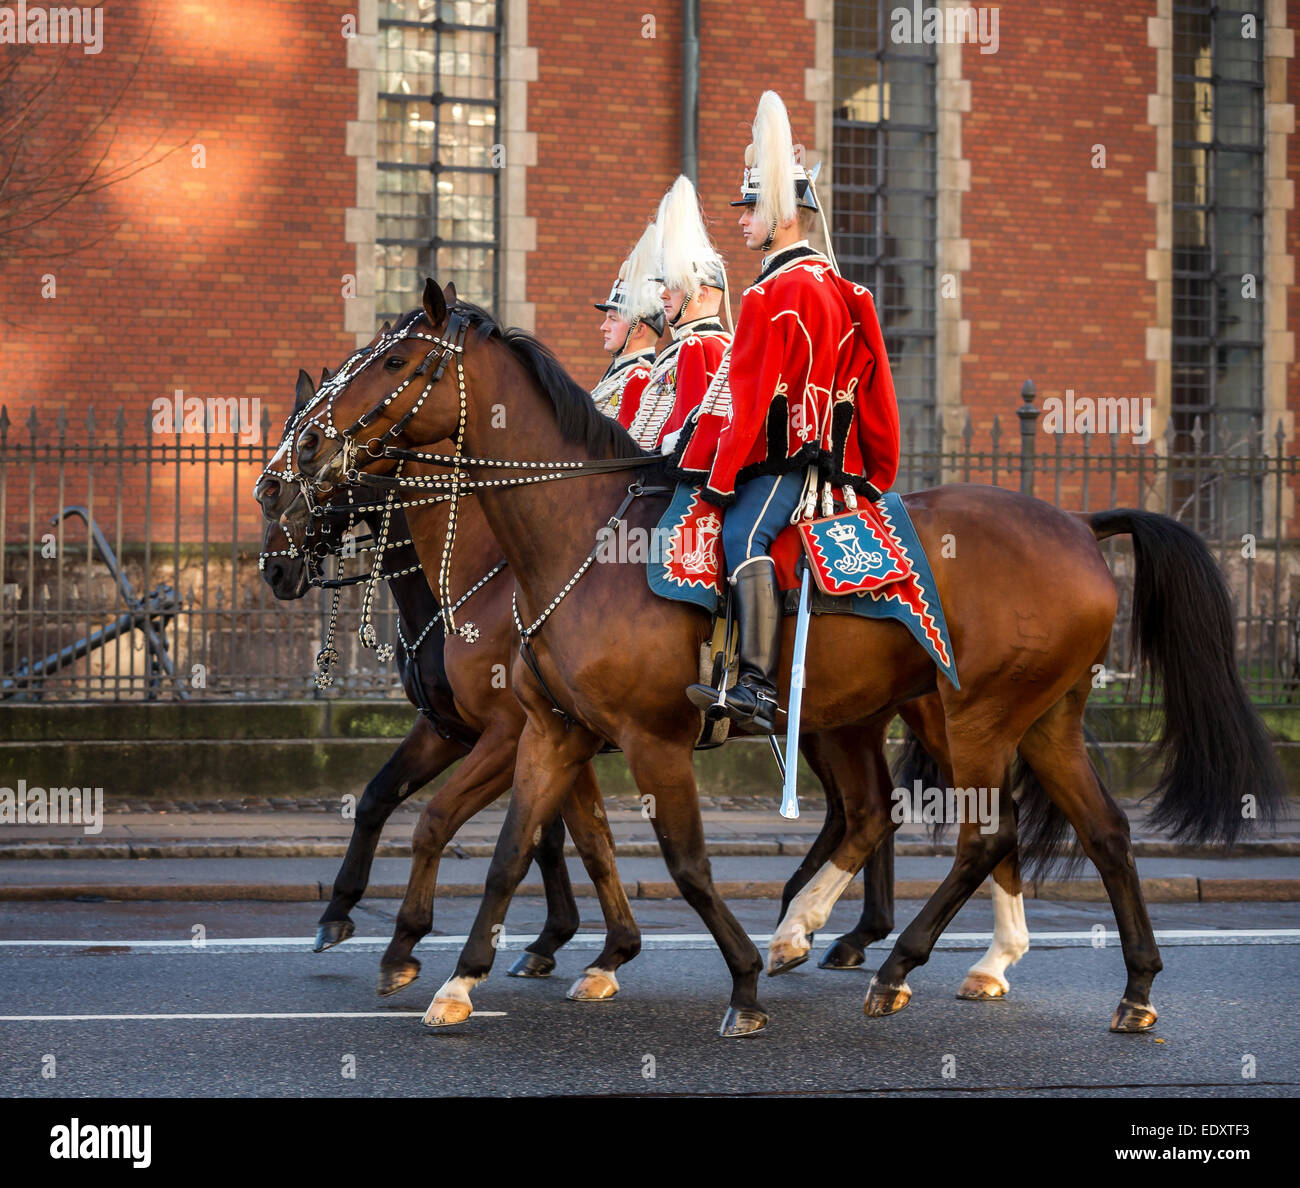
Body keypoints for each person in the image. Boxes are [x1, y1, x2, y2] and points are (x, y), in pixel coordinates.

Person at [676, 91, 901, 732]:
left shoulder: (774, 293)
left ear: (779, 216)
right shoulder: (833, 284)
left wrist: (716, 478)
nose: (740, 221)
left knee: (740, 536)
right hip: (826, 456)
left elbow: (750, 404)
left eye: (749, 209)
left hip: (785, 459)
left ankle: (754, 685)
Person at [623, 175, 732, 452]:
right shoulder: (689, 345)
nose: (663, 295)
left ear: (702, 293)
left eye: (673, 287)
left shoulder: (699, 346)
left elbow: (687, 434)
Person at [590, 224, 664, 425]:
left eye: (613, 319)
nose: (603, 327)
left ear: (639, 329)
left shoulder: (639, 377)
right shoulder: (620, 372)